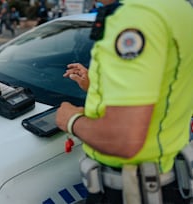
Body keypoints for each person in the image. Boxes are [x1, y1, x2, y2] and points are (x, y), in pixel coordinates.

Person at [55, 0, 193, 203]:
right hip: (166, 181)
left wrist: (70, 120)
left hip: (134, 191)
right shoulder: (176, 7)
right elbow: (165, 86)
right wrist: (97, 85)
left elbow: (124, 140)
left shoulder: (135, 17)